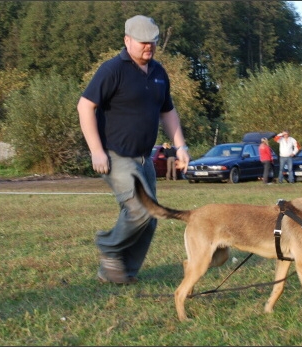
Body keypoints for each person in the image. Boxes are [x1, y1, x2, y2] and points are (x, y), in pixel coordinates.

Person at [77, 15, 189, 284]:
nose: (148, 47)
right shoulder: (112, 69)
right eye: (142, 42)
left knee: (151, 216)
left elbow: (168, 111)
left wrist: (181, 146)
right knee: (139, 210)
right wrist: (96, 150)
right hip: (116, 155)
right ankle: (109, 247)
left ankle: (121, 272)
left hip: (145, 158)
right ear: (127, 40)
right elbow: (85, 106)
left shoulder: (159, 72)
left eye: (152, 42)